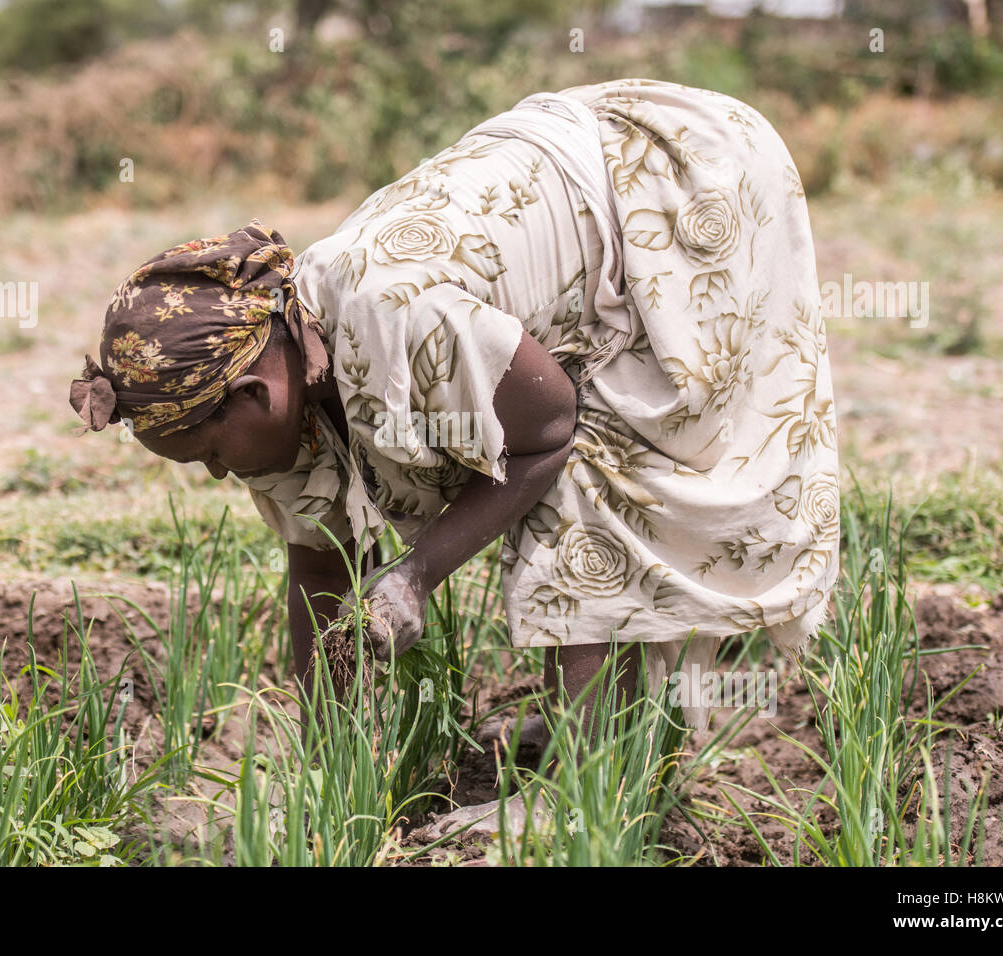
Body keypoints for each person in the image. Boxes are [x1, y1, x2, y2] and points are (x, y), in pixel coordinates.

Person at [69, 77, 840, 734]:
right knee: (566, 470)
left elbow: (547, 434)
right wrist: (324, 747)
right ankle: (605, 720)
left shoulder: (391, 317)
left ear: (251, 394)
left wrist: (417, 574)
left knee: (589, 479)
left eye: (207, 454)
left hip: (676, 181)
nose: (213, 474)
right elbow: (318, 561)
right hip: (583, 174)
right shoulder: (286, 386)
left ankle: (592, 778)